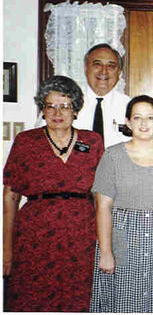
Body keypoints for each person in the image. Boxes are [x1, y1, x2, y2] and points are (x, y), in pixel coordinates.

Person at [3, 75, 104, 311]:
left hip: (82, 237)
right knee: (33, 300)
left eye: (65, 106)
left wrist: (104, 244)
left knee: (79, 300)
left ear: (76, 110)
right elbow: (10, 196)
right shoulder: (26, 141)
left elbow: (102, 197)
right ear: (43, 109)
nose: (58, 112)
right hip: (34, 238)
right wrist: (6, 249)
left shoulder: (93, 141)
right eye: (51, 106)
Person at [90, 95, 153, 313]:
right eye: (137, 118)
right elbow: (103, 207)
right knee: (123, 302)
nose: (144, 124)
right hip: (123, 236)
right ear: (128, 122)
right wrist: (106, 252)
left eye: (150, 118)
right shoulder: (112, 156)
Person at [73, 43, 131, 148]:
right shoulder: (66, 104)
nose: (104, 71)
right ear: (86, 68)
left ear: (119, 73)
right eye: (97, 64)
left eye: (111, 66)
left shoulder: (130, 108)